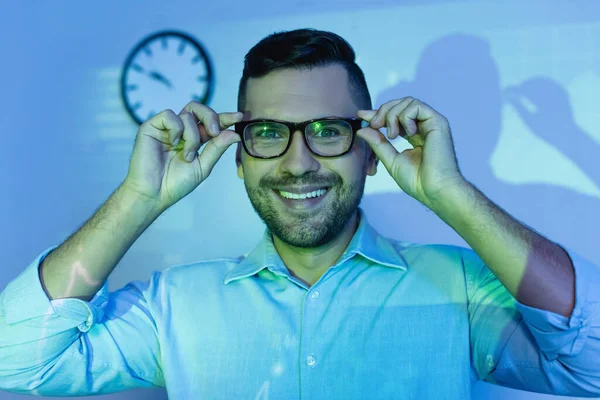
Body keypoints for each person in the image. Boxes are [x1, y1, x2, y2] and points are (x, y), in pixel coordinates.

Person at [0, 29, 598, 399]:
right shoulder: (172, 306)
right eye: (267, 132)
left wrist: (450, 193)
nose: (299, 160)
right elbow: (18, 364)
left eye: (328, 131)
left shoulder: (461, 291)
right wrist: (140, 198)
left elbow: (590, 365)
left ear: (369, 151)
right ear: (238, 156)